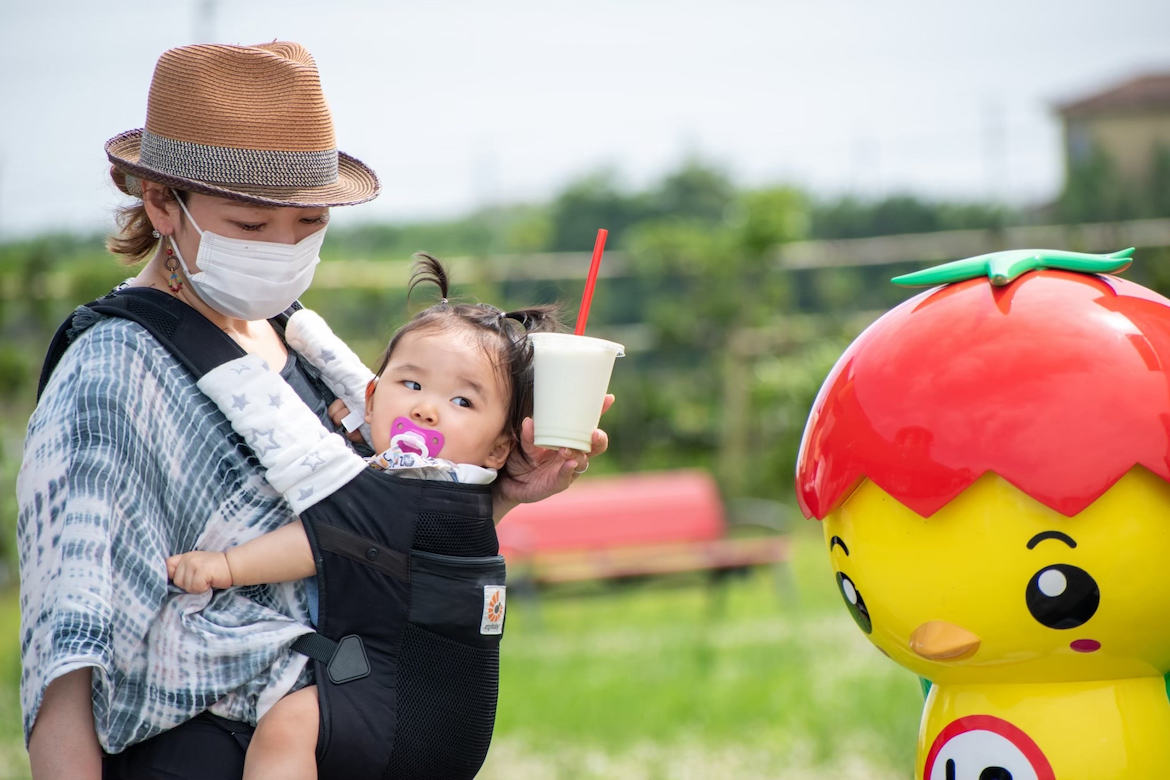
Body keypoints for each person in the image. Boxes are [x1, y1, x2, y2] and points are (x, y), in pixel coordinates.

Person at [17, 42, 609, 780]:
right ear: (162, 202)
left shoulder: (289, 335)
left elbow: (365, 548)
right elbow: (66, 650)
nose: (284, 249)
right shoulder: (114, 368)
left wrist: (501, 496)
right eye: (253, 227)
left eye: (307, 223)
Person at [166, 252, 562, 779]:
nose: (426, 409)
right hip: (452, 720)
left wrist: (226, 566)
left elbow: (322, 539)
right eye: (412, 385)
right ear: (372, 400)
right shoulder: (461, 497)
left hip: (393, 701)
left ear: (499, 450)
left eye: (463, 402)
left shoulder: (404, 493)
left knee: (288, 726)